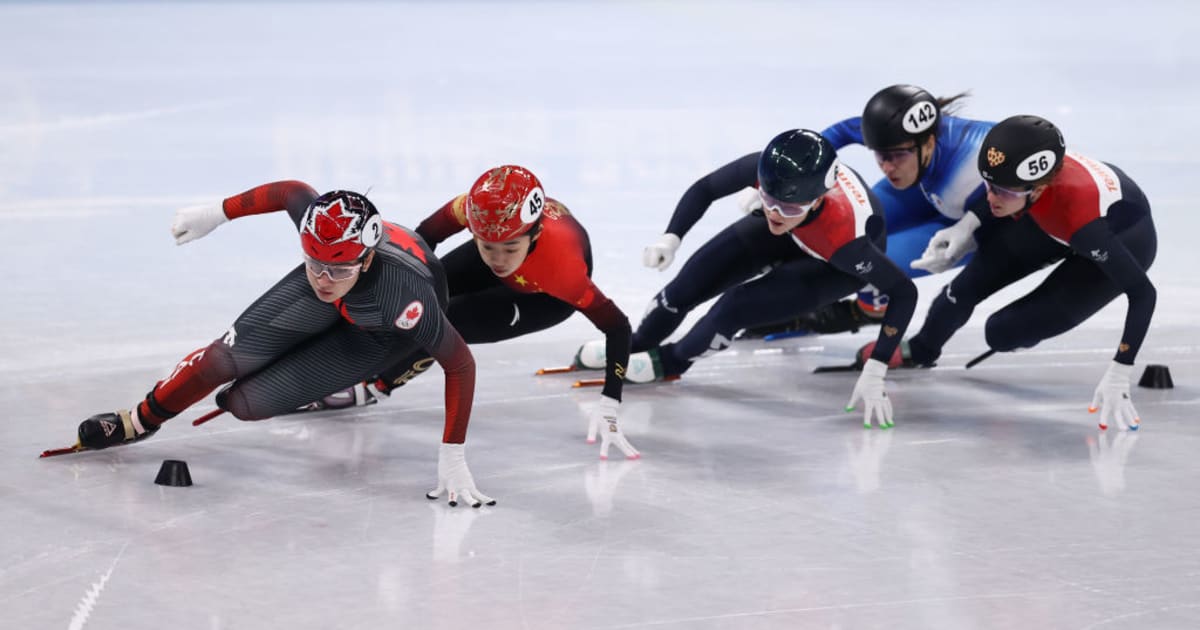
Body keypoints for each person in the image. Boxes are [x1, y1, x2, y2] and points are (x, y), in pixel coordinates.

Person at [75, 182, 494, 507]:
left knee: (244, 403)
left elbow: (460, 365)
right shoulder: (324, 238)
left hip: (380, 331)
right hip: (354, 300)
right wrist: (216, 213)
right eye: (314, 263)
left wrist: (452, 453)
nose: (323, 278)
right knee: (220, 361)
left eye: (337, 269)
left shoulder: (406, 298)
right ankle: (138, 420)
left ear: (366, 259)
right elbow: (290, 191)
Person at [183, 166, 640, 460]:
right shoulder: (472, 208)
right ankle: (342, 352)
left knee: (446, 326)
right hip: (522, 260)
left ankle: (376, 386)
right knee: (422, 293)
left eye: (509, 248)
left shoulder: (564, 273)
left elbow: (617, 325)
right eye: (486, 246)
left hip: (541, 297)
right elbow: (423, 243)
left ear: (534, 236)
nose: (497, 258)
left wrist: (611, 400)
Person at [589, 129, 919, 428]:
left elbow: (904, 293)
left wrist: (877, 367)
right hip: (802, 231)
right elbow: (706, 188)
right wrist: (671, 238)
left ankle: (671, 361)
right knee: (688, 284)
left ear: (818, 198)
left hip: (832, 267)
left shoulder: (850, 241)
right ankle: (639, 343)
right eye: (768, 201)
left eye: (787, 208)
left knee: (734, 307)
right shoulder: (774, 169)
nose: (775, 214)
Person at [877, 115, 1157, 432]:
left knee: (1002, 333)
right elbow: (999, 190)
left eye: (1003, 192)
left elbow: (1144, 294)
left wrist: (1121, 367)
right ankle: (922, 349)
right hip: (1052, 216)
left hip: (1122, 237)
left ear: (1037, 187)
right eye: (988, 186)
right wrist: (966, 226)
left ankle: (1013, 331)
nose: (992, 199)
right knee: (964, 287)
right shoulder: (1019, 181)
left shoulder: (1081, 220)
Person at [738, 85, 996, 336]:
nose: (886, 166)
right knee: (842, 232)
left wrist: (969, 227)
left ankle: (864, 311)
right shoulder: (893, 134)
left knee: (870, 266)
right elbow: (837, 134)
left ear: (929, 143)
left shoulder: (977, 154)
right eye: (879, 155)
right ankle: (802, 299)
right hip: (922, 189)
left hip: (985, 220)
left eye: (896, 155)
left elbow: (1024, 196)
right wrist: (783, 178)